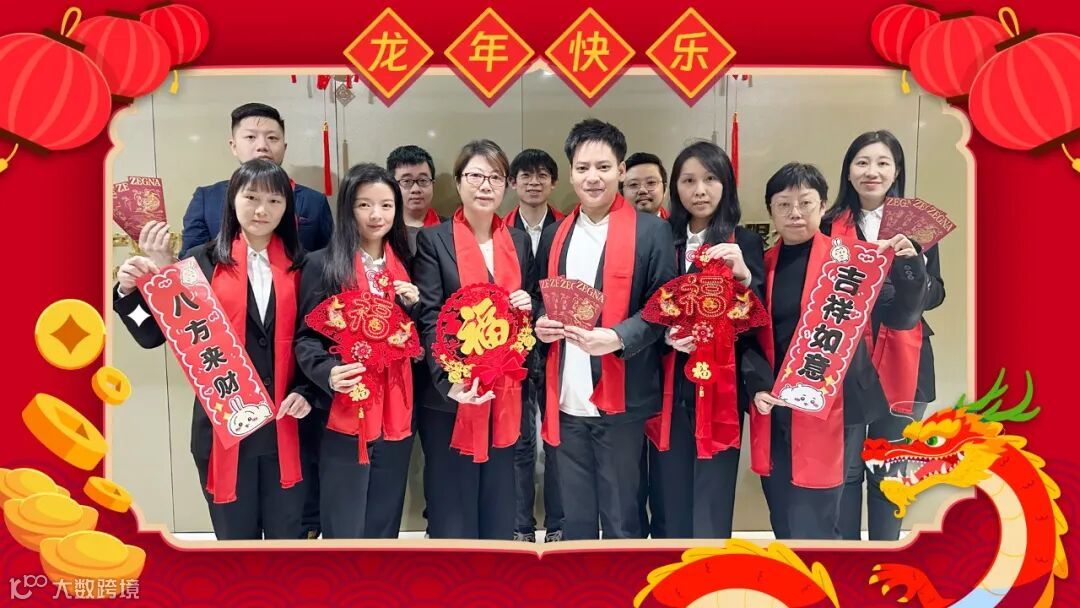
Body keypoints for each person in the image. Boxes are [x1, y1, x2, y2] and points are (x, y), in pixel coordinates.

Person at [114, 159, 315, 540]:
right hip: (223, 429)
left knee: (286, 540)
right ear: (232, 200)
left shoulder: (304, 265)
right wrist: (128, 290)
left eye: (274, 200)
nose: (261, 209)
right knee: (234, 540)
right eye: (251, 197)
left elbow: (315, 340)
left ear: (286, 208)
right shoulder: (199, 263)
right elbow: (153, 335)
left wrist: (307, 391)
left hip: (289, 425)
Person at [747, 162, 927, 540]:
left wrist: (911, 268)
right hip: (775, 406)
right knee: (782, 511)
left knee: (819, 518)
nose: (795, 213)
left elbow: (901, 315)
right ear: (771, 211)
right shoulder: (762, 267)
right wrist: (757, 385)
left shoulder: (851, 262)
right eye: (783, 205)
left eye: (806, 203)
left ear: (823, 206)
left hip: (833, 406)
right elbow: (748, 337)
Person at [534, 119, 676, 540]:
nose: (592, 177)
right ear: (571, 173)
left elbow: (663, 305)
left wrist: (617, 337)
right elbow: (541, 295)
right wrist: (540, 321)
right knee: (574, 515)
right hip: (566, 395)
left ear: (621, 170)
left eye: (603, 167)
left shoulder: (652, 231)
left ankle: (624, 577)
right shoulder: (556, 234)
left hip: (622, 395)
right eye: (582, 168)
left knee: (621, 513)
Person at [822, 130, 946, 541]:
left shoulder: (917, 226)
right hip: (844, 358)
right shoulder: (828, 224)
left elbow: (937, 294)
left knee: (889, 469)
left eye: (882, 163)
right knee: (844, 471)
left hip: (905, 357)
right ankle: (844, 561)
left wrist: (914, 270)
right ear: (848, 171)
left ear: (896, 171)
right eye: (862, 162)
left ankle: (883, 557)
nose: (871, 171)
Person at [412, 139, 538, 539]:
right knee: (453, 505)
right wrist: (449, 381)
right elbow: (429, 318)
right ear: (458, 182)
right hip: (452, 395)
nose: (485, 185)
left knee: (500, 502)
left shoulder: (518, 241)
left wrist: (529, 303)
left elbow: (532, 306)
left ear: (506, 185)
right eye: (475, 176)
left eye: (495, 177)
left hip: (505, 390)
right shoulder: (434, 241)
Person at [646, 141, 767, 539]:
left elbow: (758, 323)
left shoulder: (744, 242)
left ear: (726, 184)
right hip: (669, 376)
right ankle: (668, 558)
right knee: (669, 484)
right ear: (675, 188)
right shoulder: (660, 237)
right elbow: (643, 304)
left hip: (722, 381)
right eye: (689, 180)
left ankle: (711, 562)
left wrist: (745, 277)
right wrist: (666, 335)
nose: (700, 190)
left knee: (714, 482)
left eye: (710, 179)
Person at [294, 164, 421, 538]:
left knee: (385, 517)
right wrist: (328, 373)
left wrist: (412, 309)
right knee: (344, 519)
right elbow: (306, 338)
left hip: (398, 407)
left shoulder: (408, 263)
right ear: (348, 208)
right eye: (364, 205)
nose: (376, 215)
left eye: (386, 205)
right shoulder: (322, 264)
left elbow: (417, 337)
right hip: (345, 407)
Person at [504, 148, 566, 543]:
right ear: (512, 183)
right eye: (525, 175)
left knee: (559, 438)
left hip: (559, 345)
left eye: (542, 174)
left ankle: (558, 523)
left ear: (554, 182)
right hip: (511, 351)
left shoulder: (569, 228)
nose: (533, 182)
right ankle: (520, 526)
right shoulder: (500, 231)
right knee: (520, 439)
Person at [180, 103, 333, 257]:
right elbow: (192, 263)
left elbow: (328, 261)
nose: (262, 146)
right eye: (251, 137)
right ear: (234, 146)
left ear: (284, 147)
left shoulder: (314, 201)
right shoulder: (206, 199)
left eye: (272, 138)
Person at [622, 152, 670, 218]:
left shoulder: (677, 223)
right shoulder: (609, 224)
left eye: (651, 182)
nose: (642, 190)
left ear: (665, 189)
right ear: (622, 193)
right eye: (633, 184)